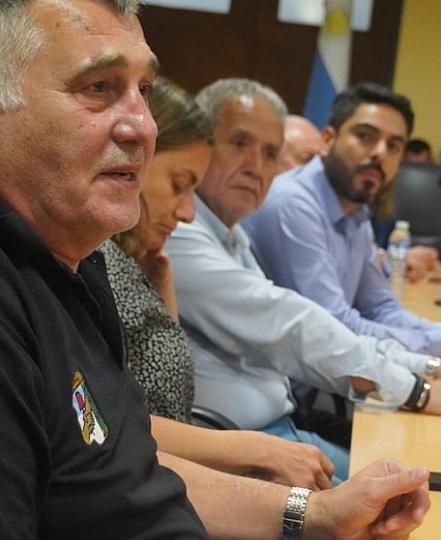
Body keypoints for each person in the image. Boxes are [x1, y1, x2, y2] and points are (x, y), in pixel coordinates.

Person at [0, 1, 432, 538]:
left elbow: (126, 472)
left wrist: (315, 515)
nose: (144, 126)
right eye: (98, 87)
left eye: (143, 90)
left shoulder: (63, 260)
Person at [166, 78, 441, 465]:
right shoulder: (191, 226)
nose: (255, 167)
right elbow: (297, 325)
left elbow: (378, 307)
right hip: (251, 441)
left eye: (270, 152)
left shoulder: (237, 230)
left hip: (285, 419)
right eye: (239, 143)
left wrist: (430, 364)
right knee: (429, 479)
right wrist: (422, 383)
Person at [100, 77, 335, 490]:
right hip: (179, 477)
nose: (187, 213)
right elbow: (115, 425)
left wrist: (161, 283)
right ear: (132, 165)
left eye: (270, 153)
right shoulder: (95, 263)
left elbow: (166, 382)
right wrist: (256, 451)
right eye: (179, 186)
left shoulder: (142, 262)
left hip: (188, 473)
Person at [242, 83, 441, 360]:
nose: (380, 153)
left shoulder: (356, 210)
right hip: (283, 380)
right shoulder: (293, 203)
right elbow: (332, 327)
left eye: (394, 146)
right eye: (365, 136)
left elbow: (380, 307)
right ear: (327, 141)